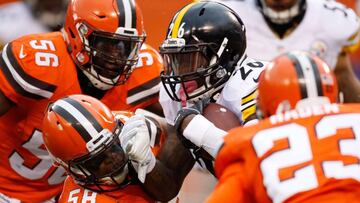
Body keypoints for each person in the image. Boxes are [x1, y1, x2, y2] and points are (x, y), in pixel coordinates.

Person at [0, 0, 163, 201]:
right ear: (77, 33)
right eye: (106, 44)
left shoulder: (145, 71)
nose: (117, 57)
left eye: (126, 46)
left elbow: (174, 133)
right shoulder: (38, 63)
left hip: (68, 192)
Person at [179, 51, 360, 202]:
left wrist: (194, 126)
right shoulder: (355, 116)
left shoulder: (253, 143)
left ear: (265, 105)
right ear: (338, 99)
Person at [42, 94, 186, 202]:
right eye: (96, 161)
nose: (112, 158)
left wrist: (151, 164)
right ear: (69, 169)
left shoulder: (134, 127)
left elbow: (180, 130)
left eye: (114, 145)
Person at [217, 0, 360, 102]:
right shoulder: (226, 11)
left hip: (310, 111)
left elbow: (342, 75)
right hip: (244, 111)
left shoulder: (333, 18)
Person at [159, 0, 266, 128]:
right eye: (176, 61)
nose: (180, 73)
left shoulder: (246, 86)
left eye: (189, 61)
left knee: (213, 114)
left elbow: (260, 141)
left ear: (228, 55)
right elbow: (177, 143)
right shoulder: (173, 93)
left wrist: (204, 134)